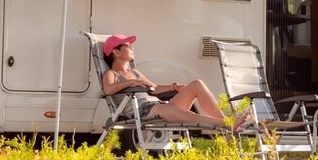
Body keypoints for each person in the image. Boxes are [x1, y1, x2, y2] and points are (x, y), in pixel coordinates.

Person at [101, 34, 250, 131]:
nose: (132, 48)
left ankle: (226, 121)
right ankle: (228, 124)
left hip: (158, 106)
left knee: (197, 84)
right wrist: (131, 82)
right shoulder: (111, 74)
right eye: (127, 45)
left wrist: (173, 87)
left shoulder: (135, 72)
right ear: (116, 52)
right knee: (187, 115)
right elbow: (108, 90)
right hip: (143, 111)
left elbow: (155, 88)